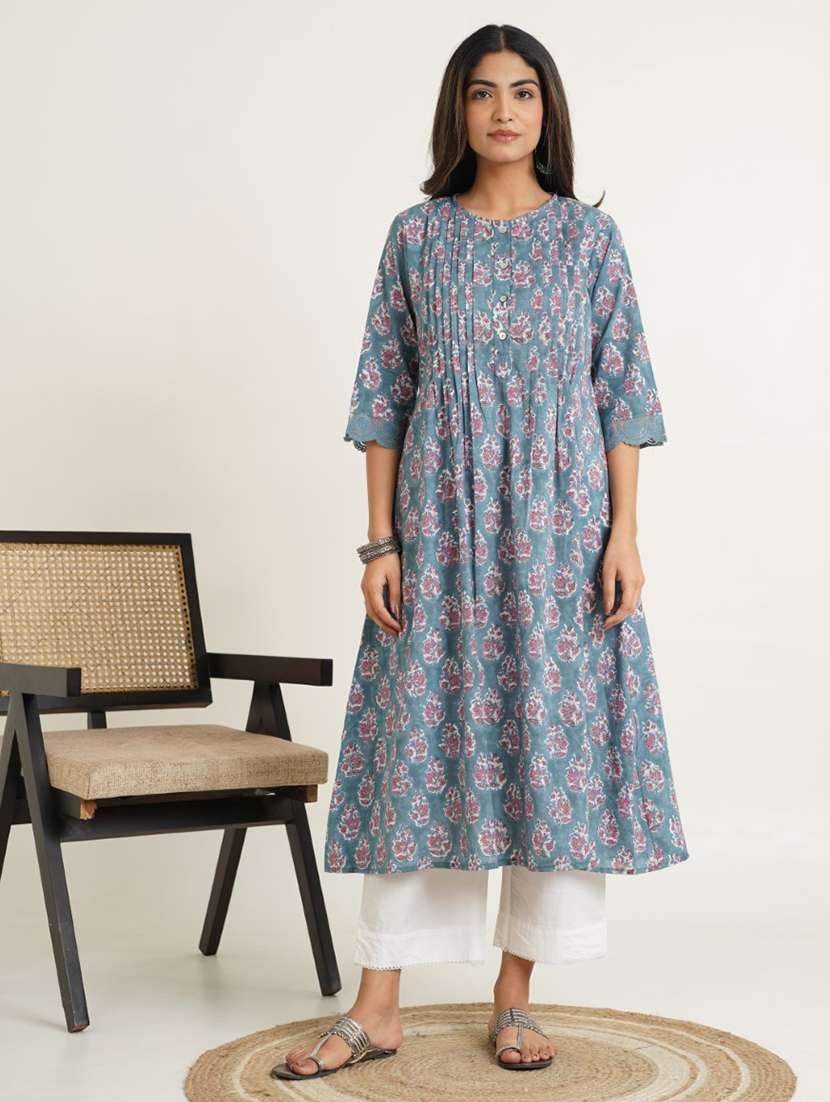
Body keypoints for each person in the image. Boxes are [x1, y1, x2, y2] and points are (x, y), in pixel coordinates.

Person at [272, 21, 689, 1082]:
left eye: (523, 91)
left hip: (560, 535)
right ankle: (377, 1005)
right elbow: (383, 397)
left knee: (546, 746)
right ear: (456, 111)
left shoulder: (589, 241)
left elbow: (622, 396)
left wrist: (623, 534)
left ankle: (514, 997)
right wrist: (380, 542)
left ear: (548, 111)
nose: (504, 110)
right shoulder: (415, 237)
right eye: (482, 92)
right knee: (422, 745)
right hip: (440, 531)